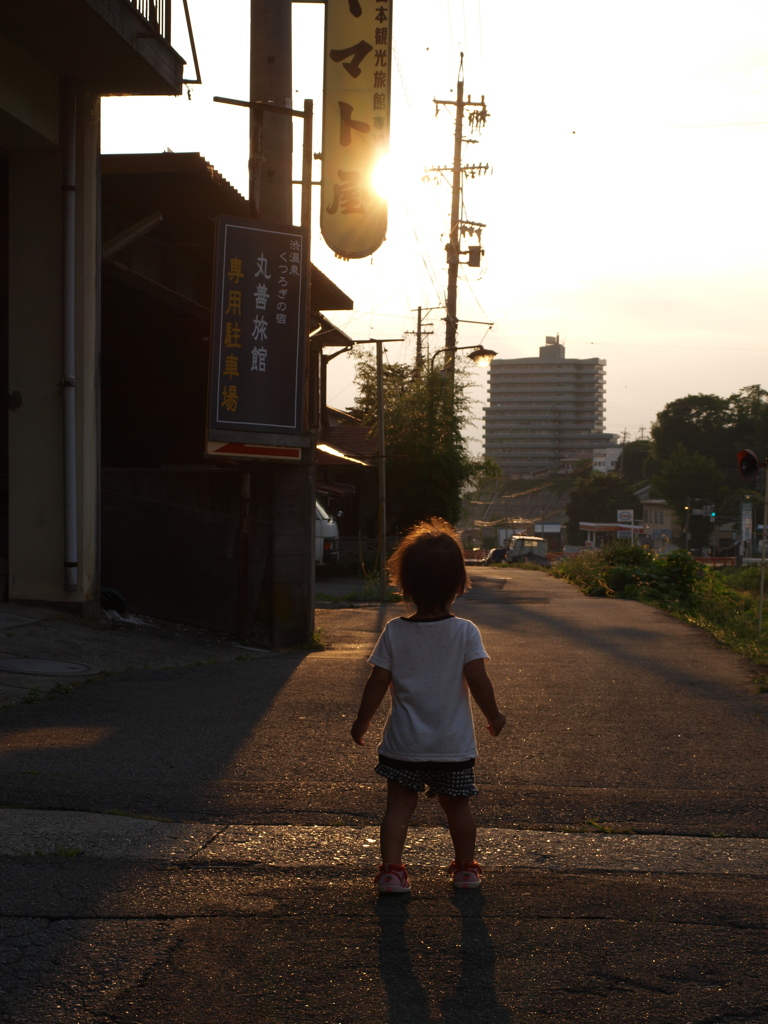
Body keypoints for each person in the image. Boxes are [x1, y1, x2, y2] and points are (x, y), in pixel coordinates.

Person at [350, 518, 506, 894]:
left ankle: (391, 871)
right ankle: (466, 869)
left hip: (404, 744)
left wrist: (362, 721)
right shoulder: (465, 631)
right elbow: (478, 681)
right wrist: (494, 715)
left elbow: (377, 683)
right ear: (458, 582)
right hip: (451, 745)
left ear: (404, 583)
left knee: (398, 809)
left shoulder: (395, 631)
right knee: (458, 809)